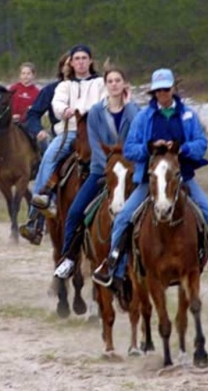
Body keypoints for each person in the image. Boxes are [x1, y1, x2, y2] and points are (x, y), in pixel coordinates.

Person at [91, 68, 208, 291]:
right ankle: (114, 265)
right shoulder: (143, 118)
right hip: (149, 180)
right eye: (158, 91)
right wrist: (151, 149)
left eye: (166, 89)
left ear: (173, 89)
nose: (162, 94)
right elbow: (130, 149)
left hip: (181, 178)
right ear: (153, 93)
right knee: (123, 217)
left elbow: (201, 143)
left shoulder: (188, 116)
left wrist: (182, 149)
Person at [53, 66, 139, 279]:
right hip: (101, 172)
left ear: (124, 84)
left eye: (118, 80)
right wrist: (108, 169)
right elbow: (95, 145)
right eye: (110, 81)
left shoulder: (134, 111)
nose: (114, 84)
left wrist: (128, 166)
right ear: (105, 85)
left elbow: (137, 139)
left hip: (130, 171)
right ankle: (69, 258)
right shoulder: (96, 114)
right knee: (75, 212)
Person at [19, 44, 106, 243]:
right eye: (77, 59)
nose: (81, 62)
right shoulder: (62, 86)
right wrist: (63, 111)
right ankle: (37, 212)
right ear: (70, 64)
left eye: (84, 58)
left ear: (90, 61)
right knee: (49, 156)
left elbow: (106, 101)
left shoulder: (101, 83)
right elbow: (57, 104)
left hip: (96, 133)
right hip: (71, 131)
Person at [0, 62, 40, 184]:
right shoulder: (13, 89)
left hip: (28, 123)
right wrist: (11, 116)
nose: (26, 76)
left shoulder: (36, 92)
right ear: (20, 75)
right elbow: (4, 104)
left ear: (33, 75)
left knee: (39, 141)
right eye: (23, 73)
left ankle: (40, 166)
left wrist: (23, 117)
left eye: (28, 73)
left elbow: (36, 110)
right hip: (11, 123)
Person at [23, 53, 68, 155]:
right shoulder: (50, 90)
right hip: (59, 134)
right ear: (62, 68)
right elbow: (33, 113)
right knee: (49, 158)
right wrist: (38, 130)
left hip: (88, 135)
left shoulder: (93, 85)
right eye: (67, 65)